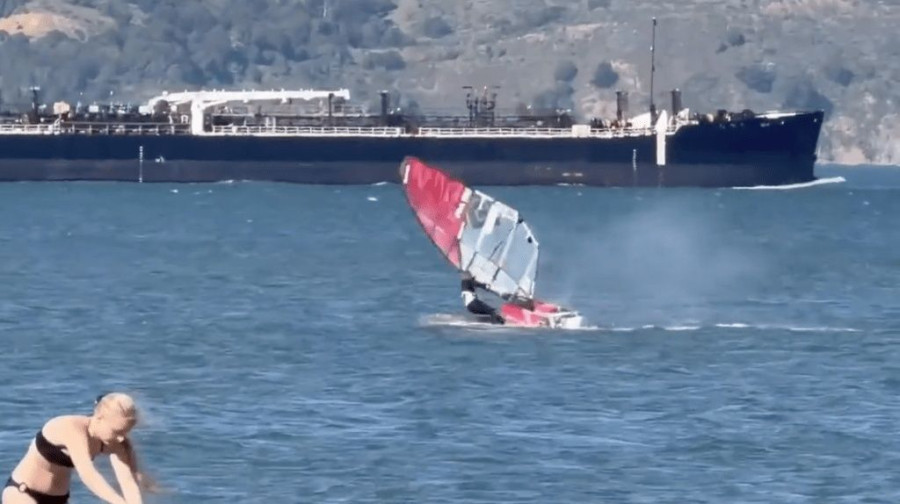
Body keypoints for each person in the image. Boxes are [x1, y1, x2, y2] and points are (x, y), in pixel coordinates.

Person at [2, 392, 159, 504]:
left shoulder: (118, 442)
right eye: (117, 431)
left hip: (59, 499)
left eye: (126, 432)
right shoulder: (72, 428)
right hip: (22, 493)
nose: (121, 438)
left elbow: (128, 483)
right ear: (99, 418)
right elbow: (88, 474)